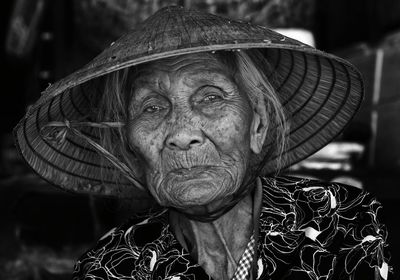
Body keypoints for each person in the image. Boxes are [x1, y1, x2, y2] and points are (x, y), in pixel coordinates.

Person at [14, 6, 391, 280]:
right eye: (152, 107)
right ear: (129, 146)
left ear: (257, 123)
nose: (181, 134)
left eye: (210, 97)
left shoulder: (341, 221)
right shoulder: (112, 267)